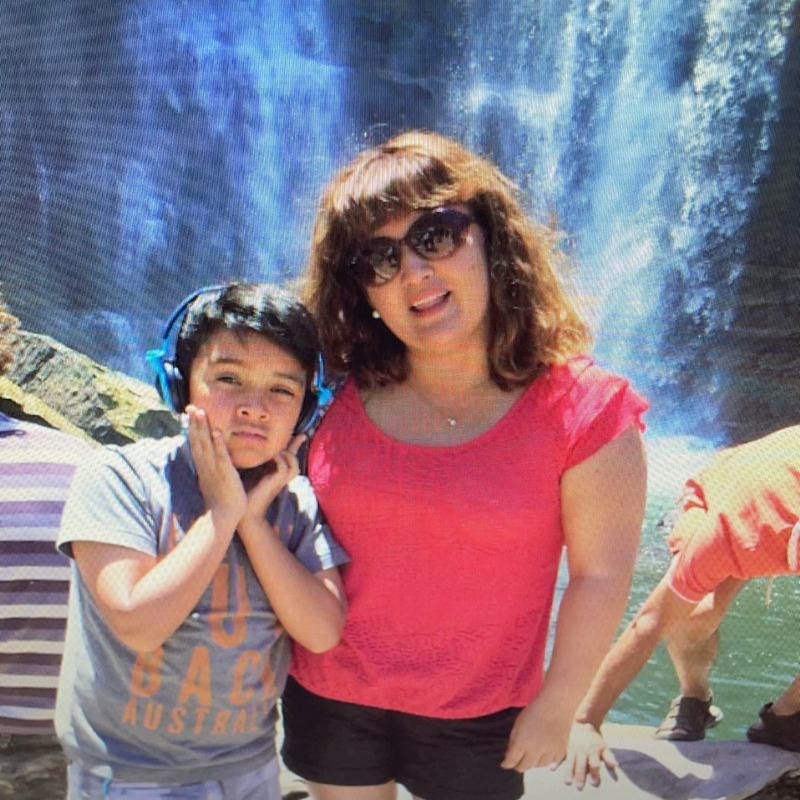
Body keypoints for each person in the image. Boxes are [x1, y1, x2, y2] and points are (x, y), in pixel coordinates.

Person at [279, 130, 649, 800]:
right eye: (379, 258)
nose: (413, 272)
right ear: (360, 289)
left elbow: (600, 575)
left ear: (489, 237)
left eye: (435, 235)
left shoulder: (587, 411)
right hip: (329, 691)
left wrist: (560, 702)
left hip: (480, 710)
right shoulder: (326, 393)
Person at [55, 283, 348, 800]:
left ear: (306, 410)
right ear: (179, 386)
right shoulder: (118, 479)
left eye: (282, 390)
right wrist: (222, 514)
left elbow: (323, 631)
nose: (255, 408)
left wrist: (252, 524)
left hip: (250, 768)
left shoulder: (295, 503)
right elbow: (139, 624)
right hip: (128, 775)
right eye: (229, 379)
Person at [566, 423, 800, 789]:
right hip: (730, 490)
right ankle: (694, 697)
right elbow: (649, 623)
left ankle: (783, 717)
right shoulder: (727, 537)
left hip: (778, 484)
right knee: (693, 616)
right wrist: (586, 721)